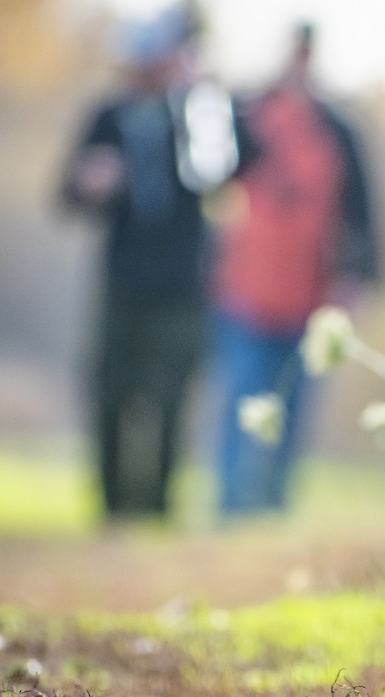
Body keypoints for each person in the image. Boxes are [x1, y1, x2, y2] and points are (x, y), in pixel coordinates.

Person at [60, 7, 235, 521]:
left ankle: (158, 506)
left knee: (171, 398)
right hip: (123, 282)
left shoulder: (200, 113)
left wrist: (201, 97)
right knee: (110, 392)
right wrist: (89, 184)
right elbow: (66, 192)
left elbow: (222, 168)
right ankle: (113, 504)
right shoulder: (109, 117)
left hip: (182, 284)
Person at [211, 21, 378, 517]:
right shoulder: (246, 114)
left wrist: (356, 278)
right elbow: (213, 170)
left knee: (293, 409)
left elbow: (362, 213)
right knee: (240, 400)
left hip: (309, 296)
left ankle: (273, 504)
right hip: (243, 290)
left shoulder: (338, 131)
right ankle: (229, 503)